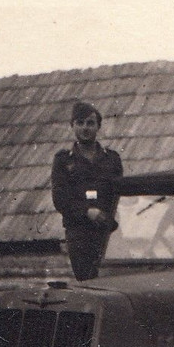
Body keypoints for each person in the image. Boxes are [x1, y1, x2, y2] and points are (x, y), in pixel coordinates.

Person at [51, 100, 124, 280]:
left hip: (108, 232)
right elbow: (60, 199)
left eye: (90, 123)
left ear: (98, 126)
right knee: (87, 282)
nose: (85, 128)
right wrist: (86, 212)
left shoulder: (112, 159)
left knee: (116, 279)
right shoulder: (63, 161)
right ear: (72, 126)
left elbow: (120, 194)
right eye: (80, 123)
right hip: (79, 234)